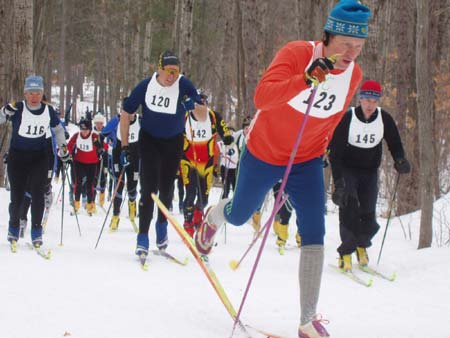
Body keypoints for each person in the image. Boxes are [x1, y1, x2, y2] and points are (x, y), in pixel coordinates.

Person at [194, 1, 371, 337]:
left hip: (304, 161)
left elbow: (331, 120)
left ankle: (307, 319)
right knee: (240, 214)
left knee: (314, 231)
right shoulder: (296, 53)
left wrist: (323, 155)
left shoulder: (354, 75)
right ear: (328, 36)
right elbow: (263, 97)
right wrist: (304, 80)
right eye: (346, 45)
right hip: (263, 152)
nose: (351, 54)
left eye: (359, 47)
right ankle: (214, 218)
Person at [120, 50, 203, 255]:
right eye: (168, 71)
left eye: (175, 71)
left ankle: (161, 226)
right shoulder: (146, 86)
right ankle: (142, 236)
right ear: (159, 68)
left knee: (166, 189)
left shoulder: (184, 85)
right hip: (149, 141)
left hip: (173, 142)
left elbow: (202, 116)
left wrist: (192, 106)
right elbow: (125, 113)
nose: (171, 76)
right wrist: (124, 146)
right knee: (148, 189)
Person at [328, 80, 410, 272]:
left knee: (368, 214)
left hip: (370, 172)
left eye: (374, 100)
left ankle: (361, 246)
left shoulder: (384, 118)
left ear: (378, 101)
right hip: (348, 169)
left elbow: (395, 142)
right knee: (348, 209)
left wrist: (400, 160)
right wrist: (339, 182)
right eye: (366, 100)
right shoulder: (348, 118)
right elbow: (336, 153)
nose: (370, 105)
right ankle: (345, 253)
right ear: (360, 99)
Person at [0, 75, 69, 247]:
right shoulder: (18, 108)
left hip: (39, 158)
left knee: (38, 195)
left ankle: (36, 232)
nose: (34, 97)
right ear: (25, 93)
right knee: (17, 196)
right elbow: (1, 119)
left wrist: (64, 149)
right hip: (18, 158)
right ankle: (13, 229)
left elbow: (58, 130)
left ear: (42, 93)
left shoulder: (48, 110)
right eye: (30, 93)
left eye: (37, 93)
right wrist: (4, 111)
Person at [180, 92, 234, 237]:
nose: (201, 105)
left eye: (203, 102)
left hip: (206, 163)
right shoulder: (185, 117)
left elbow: (224, 129)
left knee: (204, 196)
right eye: (198, 102)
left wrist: (227, 138)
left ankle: (198, 215)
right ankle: (188, 222)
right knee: (190, 193)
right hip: (189, 161)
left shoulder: (213, 116)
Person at [101, 110, 140, 231]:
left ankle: (132, 204)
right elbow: (103, 133)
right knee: (118, 185)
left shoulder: (140, 121)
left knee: (132, 188)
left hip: (135, 156)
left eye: (132, 112)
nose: (129, 115)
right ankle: (115, 216)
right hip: (118, 156)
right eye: (126, 112)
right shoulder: (117, 120)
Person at [67, 117, 103, 215]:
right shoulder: (76, 135)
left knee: (90, 184)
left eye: (86, 130)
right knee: (78, 182)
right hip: (79, 162)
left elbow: (102, 146)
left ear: (90, 129)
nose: (84, 132)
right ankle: (77, 204)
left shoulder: (94, 136)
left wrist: (100, 148)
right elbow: (69, 146)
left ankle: (89, 205)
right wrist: (68, 153)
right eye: (82, 129)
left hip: (92, 163)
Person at [217, 127, 239, 199]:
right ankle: (223, 202)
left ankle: (235, 203)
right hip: (225, 167)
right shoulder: (223, 143)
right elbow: (217, 147)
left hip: (234, 169)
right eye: (229, 132)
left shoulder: (236, 143)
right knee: (226, 188)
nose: (230, 134)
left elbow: (236, 154)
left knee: (235, 188)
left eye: (232, 132)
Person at [92, 113, 108, 208]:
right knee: (94, 177)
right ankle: (92, 200)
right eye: (97, 123)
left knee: (104, 177)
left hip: (105, 157)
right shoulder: (92, 132)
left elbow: (110, 143)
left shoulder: (106, 131)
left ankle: (102, 199)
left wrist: (104, 148)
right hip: (94, 158)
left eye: (101, 123)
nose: (99, 125)